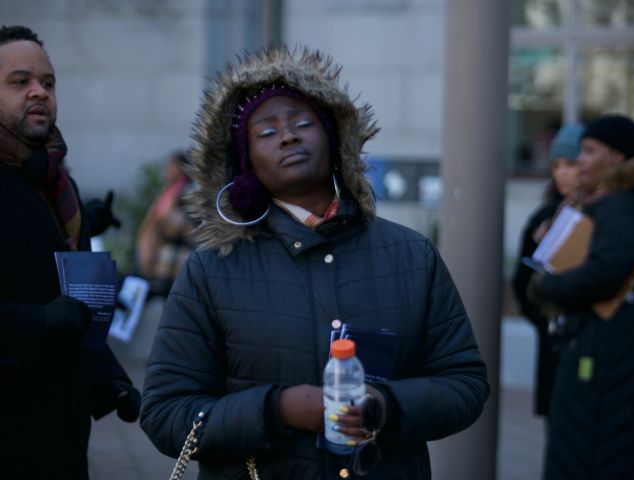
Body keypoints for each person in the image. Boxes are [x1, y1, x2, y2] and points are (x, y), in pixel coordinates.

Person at [140, 46, 490, 479]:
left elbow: (465, 384)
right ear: (246, 168)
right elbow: (165, 413)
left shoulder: (412, 255)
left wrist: (386, 406)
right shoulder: (212, 269)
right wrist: (276, 409)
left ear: (335, 140)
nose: (288, 136)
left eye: (303, 123)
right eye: (266, 132)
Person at [0, 25, 140, 479]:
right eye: (20, 82)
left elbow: (78, 301)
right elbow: (50, 313)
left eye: (48, 82)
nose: (39, 92)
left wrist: (110, 380)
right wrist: (35, 321)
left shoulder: (60, 184)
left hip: (63, 435)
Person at [535, 114, 634, 479]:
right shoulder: (613, 205)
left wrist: (547, 286)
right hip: (611, 348)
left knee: (601, 450)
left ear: (616, 157)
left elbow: (603, 273)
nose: (580, 160)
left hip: (609, 353)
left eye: (588, 151)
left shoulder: (621, 207)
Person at [511, 122, 582, 418]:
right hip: (554, 343)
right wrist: (546, 321)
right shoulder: (542, 217)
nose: (563, 172)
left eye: (571, 163)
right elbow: (521, 281)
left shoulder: (600, 216)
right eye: (557, 165)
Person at [135, 150, 196, 296]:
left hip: (173, 259)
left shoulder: (187, 191)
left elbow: (182, 225)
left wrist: (159, 231)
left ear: (182, 167)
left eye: (171, 164)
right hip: (161, 253)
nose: (167, 168)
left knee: (167, 298)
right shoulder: (171, 189)